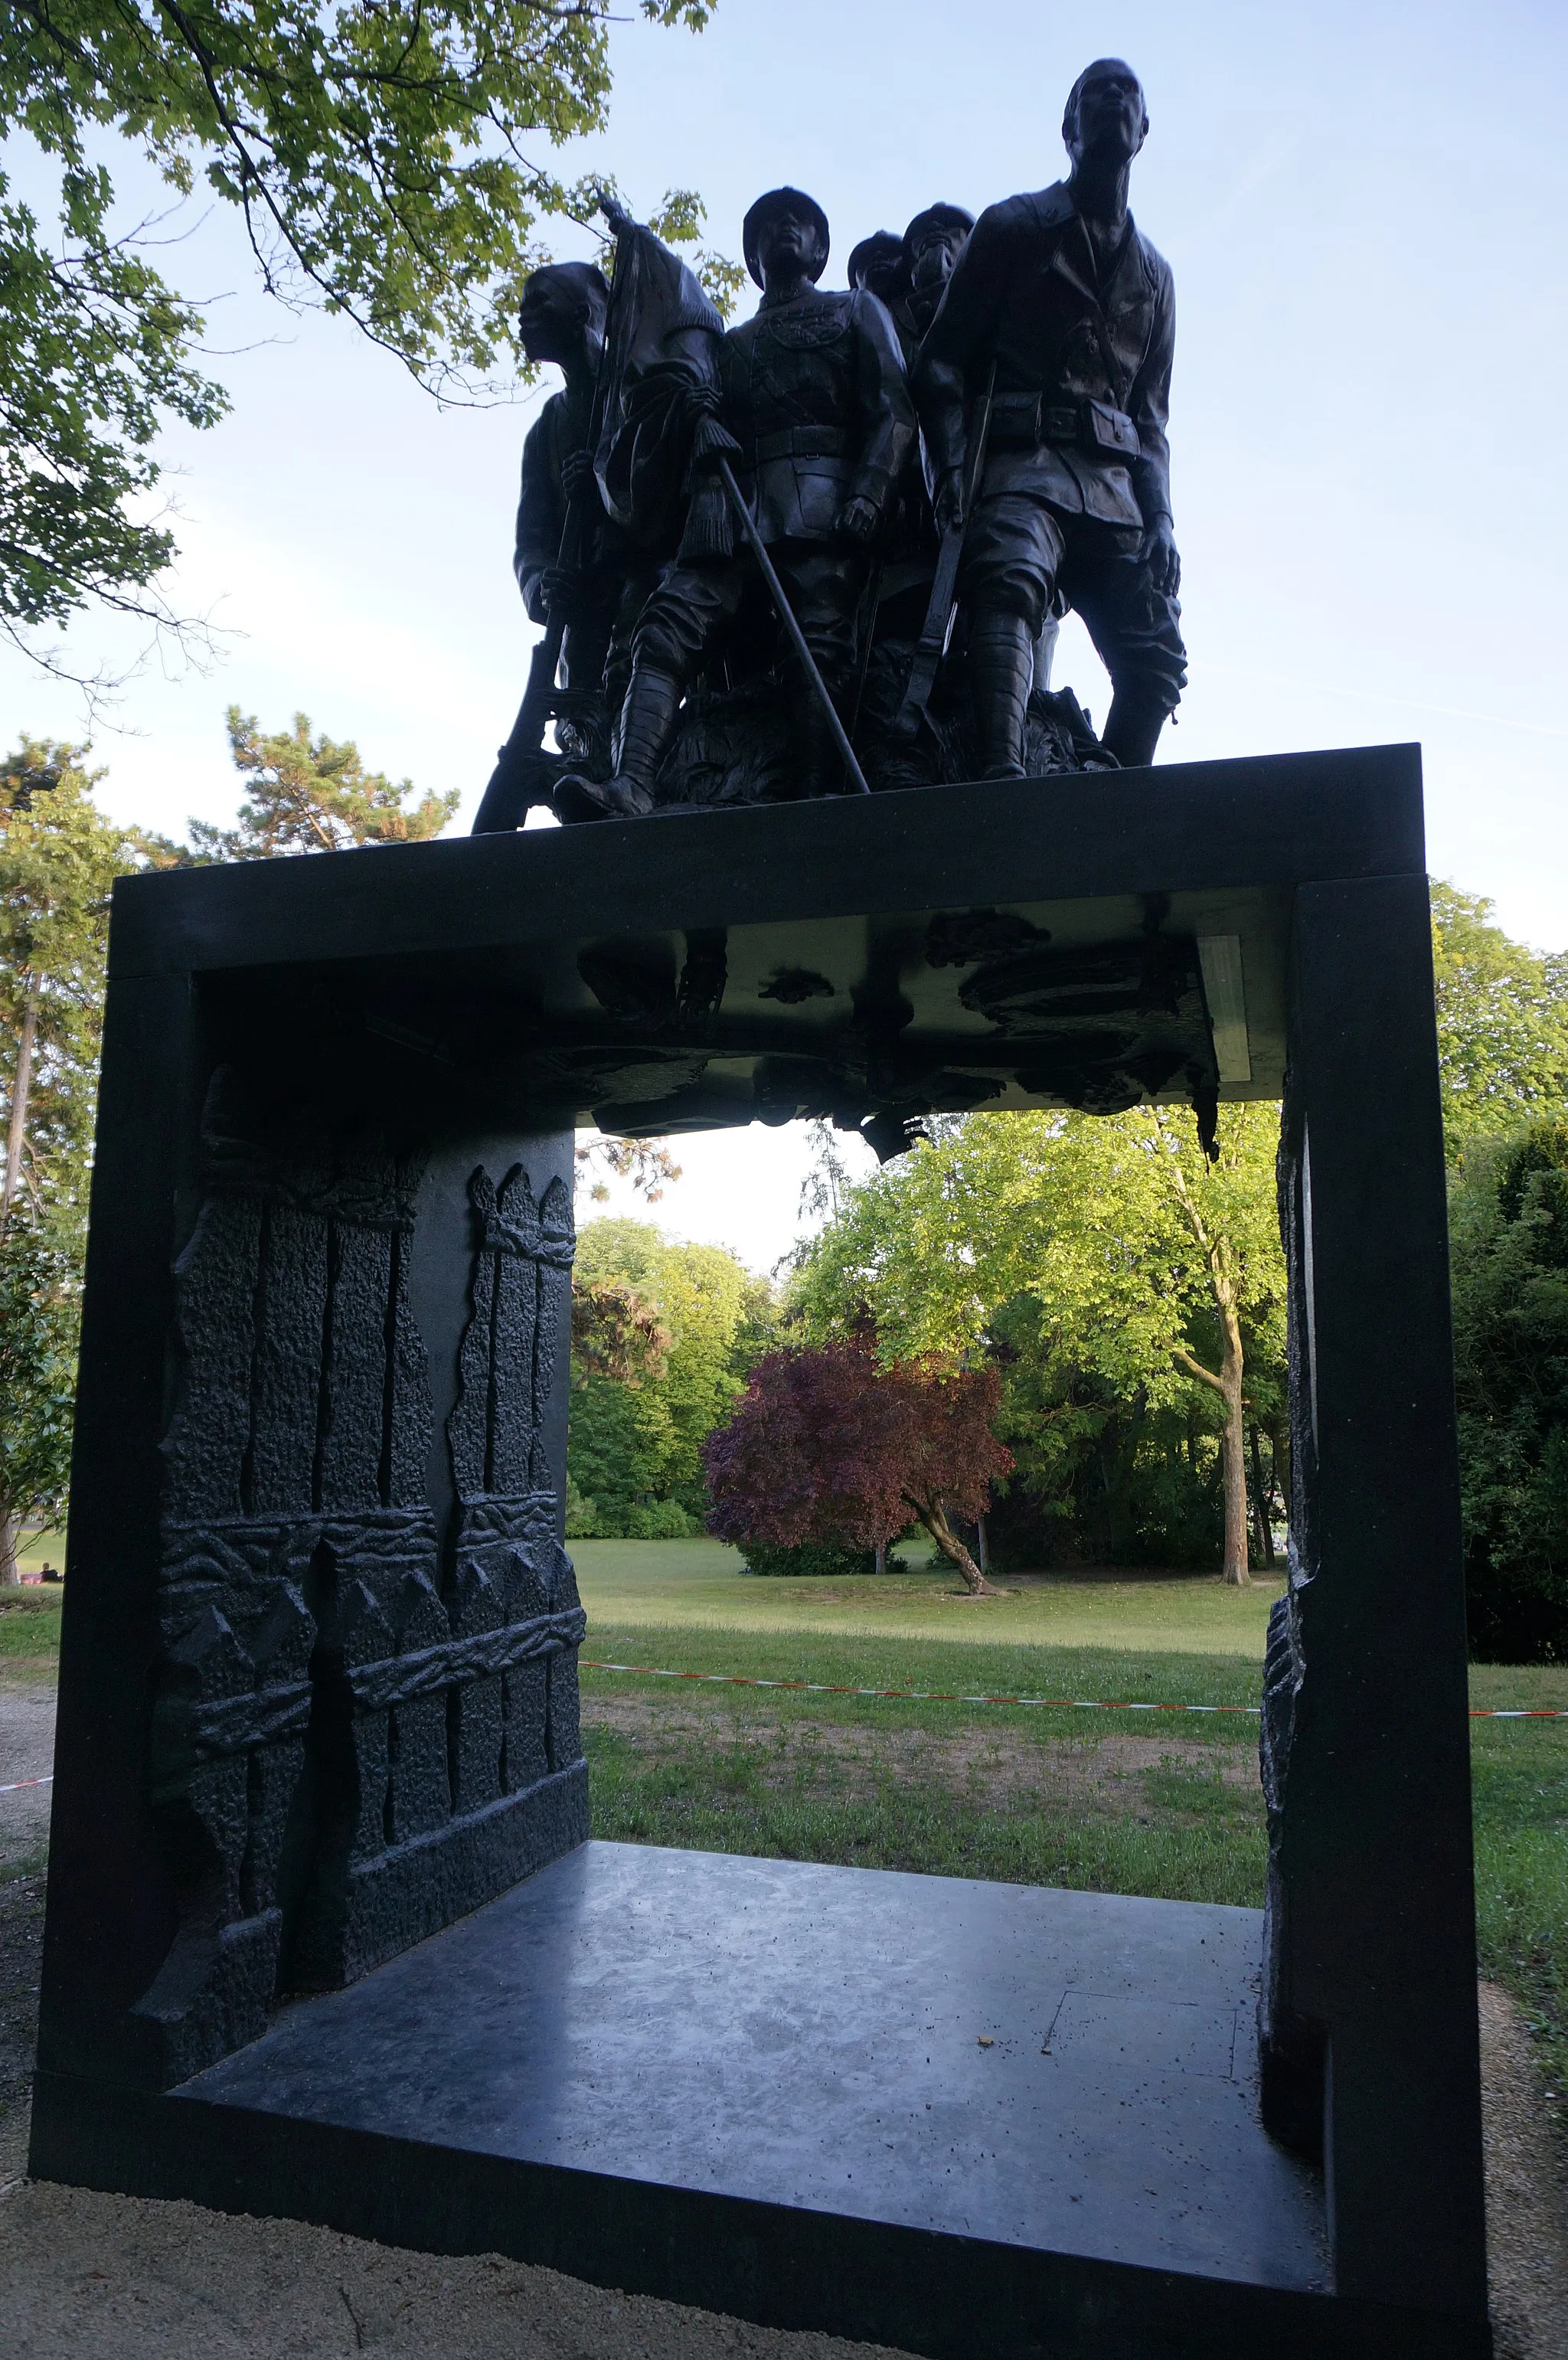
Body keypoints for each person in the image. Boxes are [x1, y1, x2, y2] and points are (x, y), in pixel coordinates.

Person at [581, 187, 914, 815]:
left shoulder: (857, 310)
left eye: (799, 222)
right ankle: (632, 785)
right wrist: (696, 416)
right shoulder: (730, 345)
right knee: (665, 628)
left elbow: (893, 410)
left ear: (820, 249)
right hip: (733, 519)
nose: (783, 228)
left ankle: (815, 800)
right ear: (753, 257)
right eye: (767, 225)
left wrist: (870, 495)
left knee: (818, 651)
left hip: (824, 513)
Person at [916, 58, 1186, 773]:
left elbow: (1153, 422)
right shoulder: (1014, 227)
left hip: (1113, 491)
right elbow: (939, 363)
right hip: (1020, 465)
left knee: (1157, 657)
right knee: (1009, 581)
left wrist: (1160, 519)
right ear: (1069, 126)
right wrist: (949, 473)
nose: (1114, 99)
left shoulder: (1156, 278)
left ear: (1145, 130)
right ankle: (1004, 780)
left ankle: (1112, 796)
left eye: (1128, 90)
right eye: (1096, 90)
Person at [511, 260, 657, 767]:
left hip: (646, 592)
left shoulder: (642, 389)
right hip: (581, 614)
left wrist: (605, 481)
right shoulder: (547, 428)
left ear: (581, 313)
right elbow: (530, 540)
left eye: (539, 304)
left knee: (636, 722)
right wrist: (542, 587)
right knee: (580, 744)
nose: (523, 317)